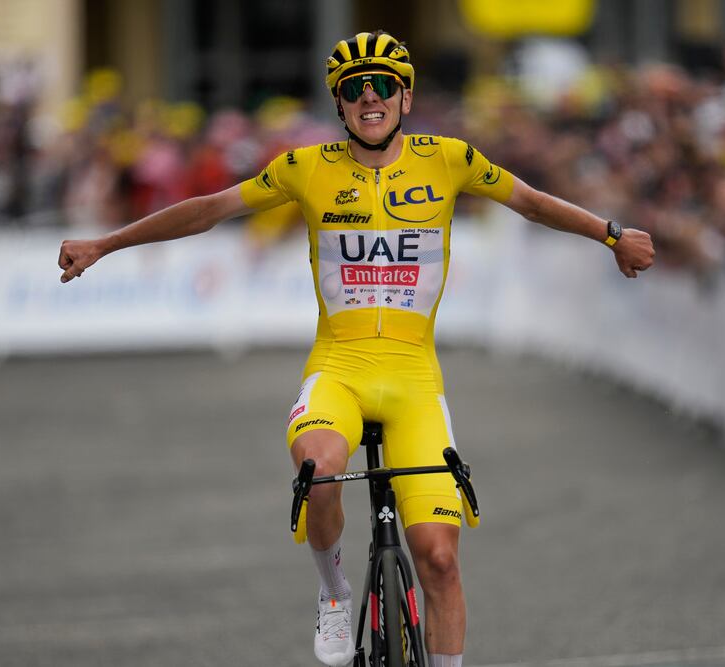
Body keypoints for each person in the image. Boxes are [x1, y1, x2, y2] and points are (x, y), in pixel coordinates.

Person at [57, 31, 654, 667]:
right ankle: (335, 592)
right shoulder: (305, 167)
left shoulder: (449, 158)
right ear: (340, 104)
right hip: (338, 369)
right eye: (354, 88)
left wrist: (611, 234)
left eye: (383, 85)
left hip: (414, 381)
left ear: (405, 96)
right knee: (318, 474)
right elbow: (208, 209)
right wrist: (105, 244)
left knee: (440, 559)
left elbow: (530, 203)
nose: (370, 96)